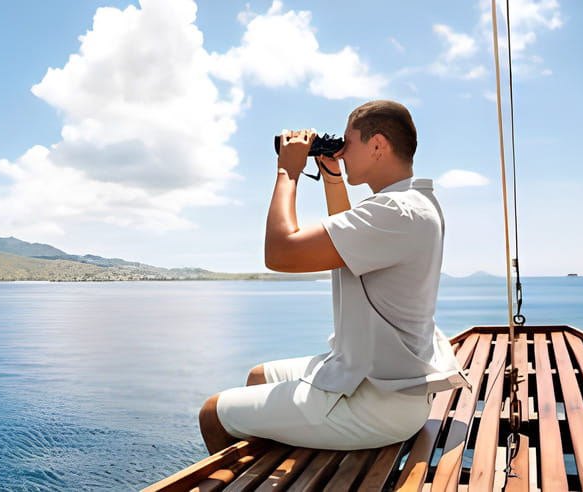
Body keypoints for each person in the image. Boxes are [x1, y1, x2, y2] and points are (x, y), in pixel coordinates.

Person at [199, 100, 470, 454]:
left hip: (376, 401)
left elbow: (280, 253)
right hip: (384, 380)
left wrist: (288, 173)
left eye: (349, 142)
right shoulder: (413, 202)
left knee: (212, 414)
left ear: (377, 145)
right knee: (257, 376)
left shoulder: (396, 212)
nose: (341, 151)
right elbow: (347, 246)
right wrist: (331, 175)